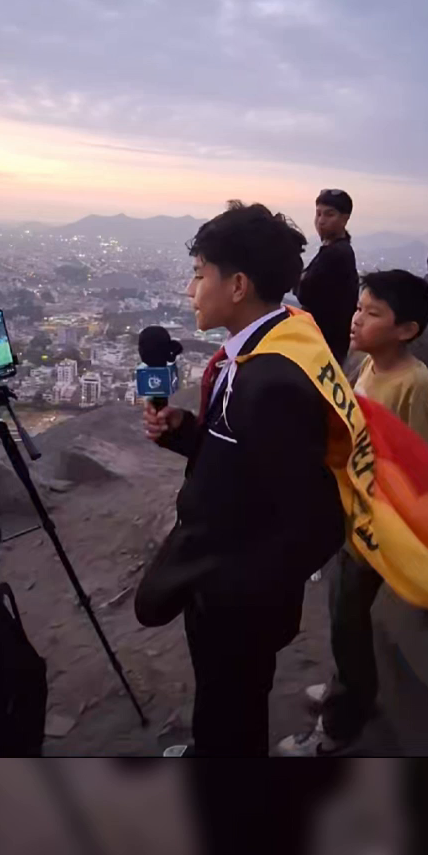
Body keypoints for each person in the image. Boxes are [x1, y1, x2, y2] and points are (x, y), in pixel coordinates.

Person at [135, 201, 345, 757]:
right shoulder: (260, 352)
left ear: (238, 285)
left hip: (238, 596)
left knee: (235, 705)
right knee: (224, 699)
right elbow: (246, 457)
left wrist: (237, 589)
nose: (190, 289)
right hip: (228, 581)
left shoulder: (270, 379)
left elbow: (317, 520)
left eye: (200, 274)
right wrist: (185, 432)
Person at [278, 269, 428, 756]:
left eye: (372, 313)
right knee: (342, 615)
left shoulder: (415, 384)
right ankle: (347, 687)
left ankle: (340, 724)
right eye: (358, 308)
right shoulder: (368, 367)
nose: (356, 319)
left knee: (350, 620)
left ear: (406, 329)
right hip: (349, 515)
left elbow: (422, 465)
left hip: (375, 527)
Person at [297, 188, 358, 366]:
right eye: (318, 214)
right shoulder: (335, 249)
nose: (321, 221)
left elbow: (305, 293)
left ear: (345, 219)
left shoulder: (337, 254)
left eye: (329, 214)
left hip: (325, 345)